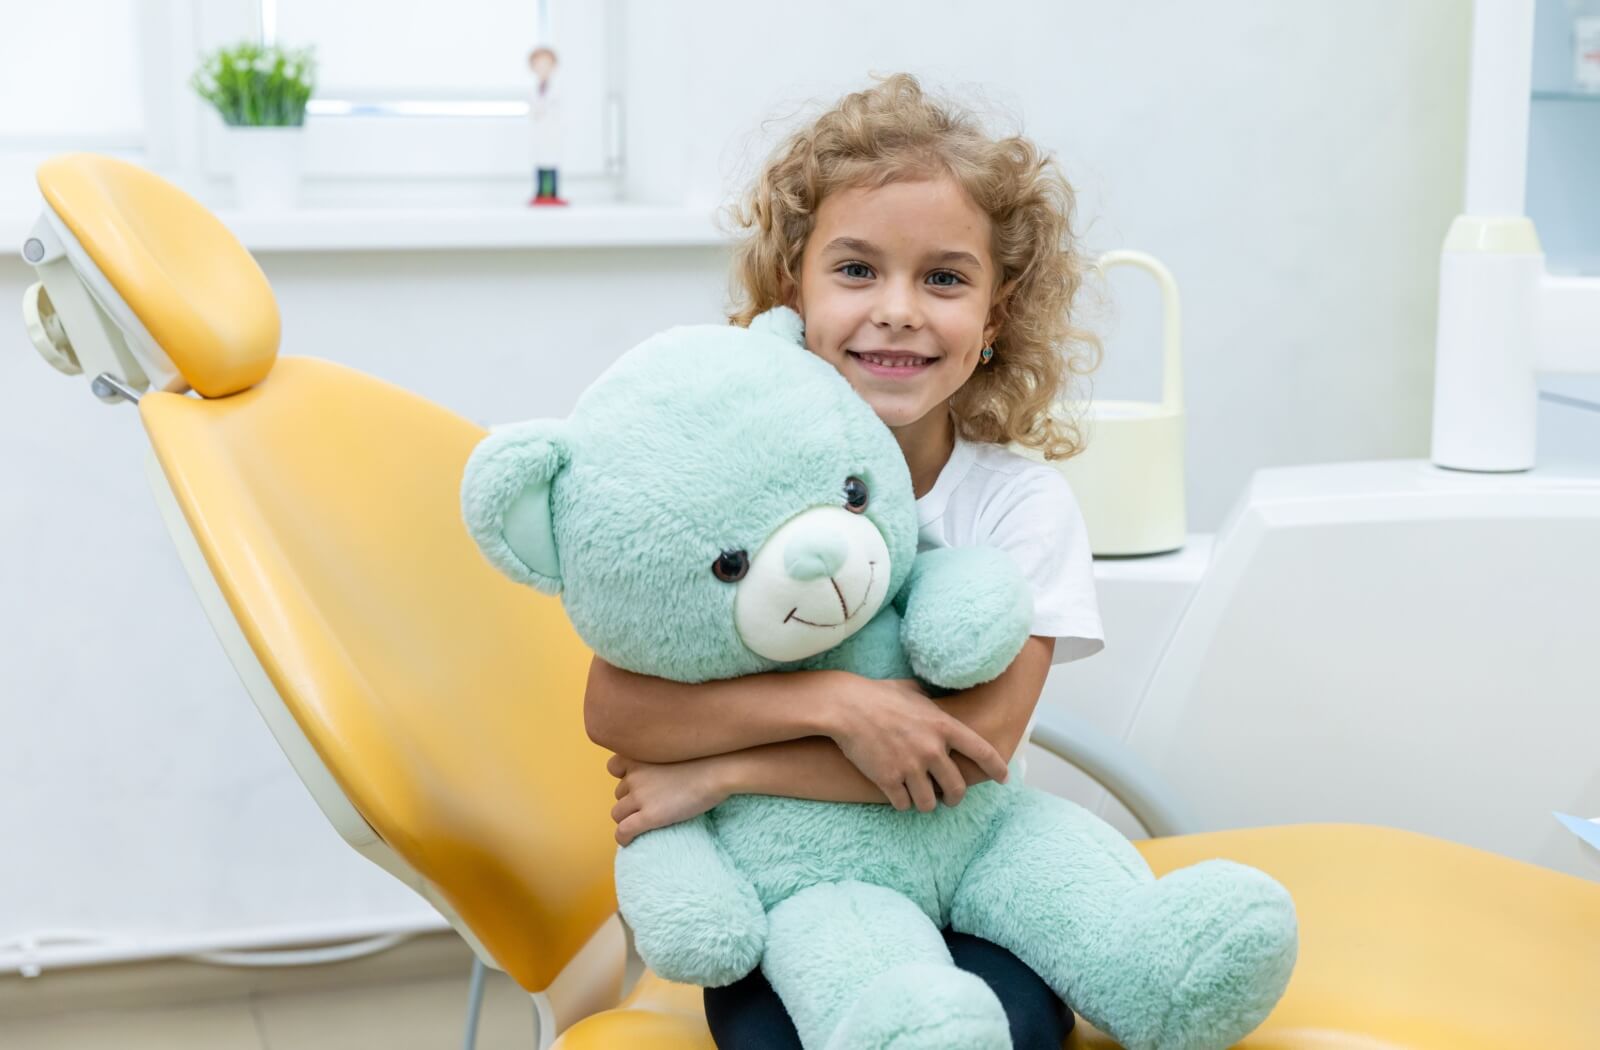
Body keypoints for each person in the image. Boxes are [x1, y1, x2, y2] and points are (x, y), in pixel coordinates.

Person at [586, 72, 1105, 1049]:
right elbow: (614, 708)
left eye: (944, 279)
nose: (899, 310)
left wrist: (724, 770)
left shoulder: (1018, 504)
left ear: (995, 319)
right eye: (857, 270)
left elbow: (973, 750)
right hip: (791, 898)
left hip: (975, 887)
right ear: (794, 289)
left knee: (1003, 1033)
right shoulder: (729, 483)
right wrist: (838, 705)